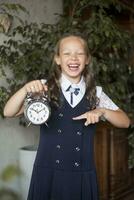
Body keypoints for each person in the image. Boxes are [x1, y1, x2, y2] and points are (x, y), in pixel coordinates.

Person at [4, 33, 130, 200]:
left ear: (87, 59)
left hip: (82, 172)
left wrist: (102, 111)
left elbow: (125, 122)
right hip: (47, 170)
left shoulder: (96, 93)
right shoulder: (44, 88)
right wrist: (25, 88)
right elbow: (8, 112)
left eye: (79, 53)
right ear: (57, 59)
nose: (74, 58)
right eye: (67, 53)